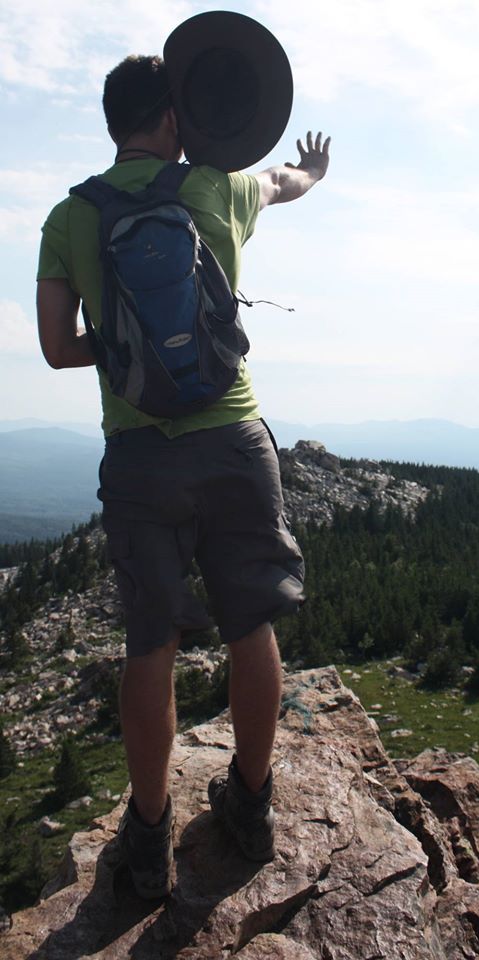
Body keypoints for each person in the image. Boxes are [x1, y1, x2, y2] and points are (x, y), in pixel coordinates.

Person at [36, 52, 330, 899]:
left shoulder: (71, 216)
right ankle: (249, 803)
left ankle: (151, 833)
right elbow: (282, 182)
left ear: (111, 122)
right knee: (252, 628)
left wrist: (124, 350)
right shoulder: (217, 189)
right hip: (235, 438)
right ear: (173, 116)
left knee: (150, 647)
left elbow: (58, 349)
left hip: (139, 454)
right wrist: (309, 168)